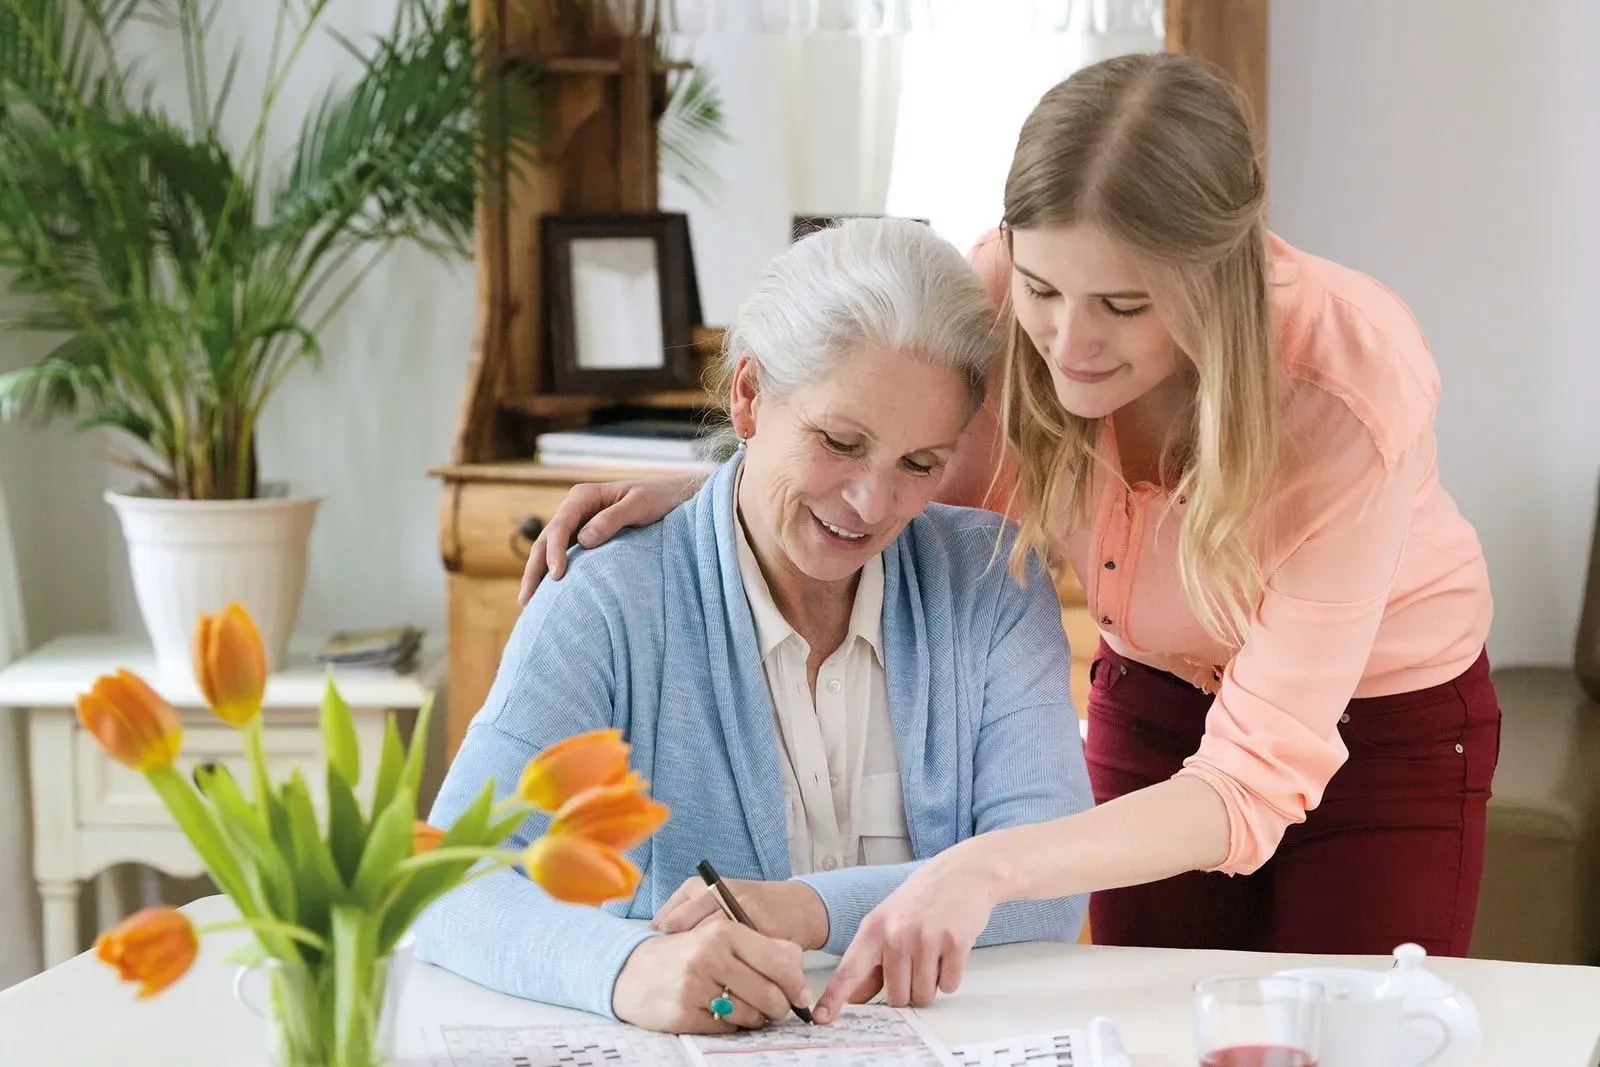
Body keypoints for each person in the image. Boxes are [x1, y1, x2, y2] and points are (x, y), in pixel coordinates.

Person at [517, 50, 1502, 1019]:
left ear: (1211, 282)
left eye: (1121, 305)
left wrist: (981, 865)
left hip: (1380, 727)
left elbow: (1248, 783)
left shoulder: (1343, 389)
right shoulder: (987, 300)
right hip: (1154, 690)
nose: (1067, 343)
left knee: (1355, 1036)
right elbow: (859, 428)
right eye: (1043, 289)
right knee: (1150, 1030)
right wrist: (713, 496)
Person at [417, 217, 1092, 1034]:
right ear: (748, 396)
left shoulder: (991, 582)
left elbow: (1048, 882)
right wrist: (626, 967)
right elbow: (446, 876)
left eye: (920, 464)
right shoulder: (611, 597)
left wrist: (806, 910)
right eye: (841, 443)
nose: (872, 505)